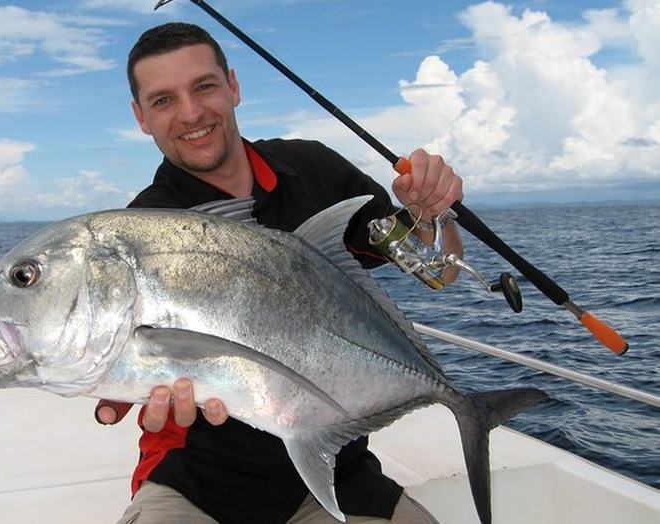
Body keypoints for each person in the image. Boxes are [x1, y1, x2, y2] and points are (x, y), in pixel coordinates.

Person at [96, 22, 465, 524]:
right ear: (141, 118)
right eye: (163, 100)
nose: (191, 113)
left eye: (204, 87)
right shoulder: (144, 231)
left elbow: (438, 273)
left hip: (338, 468)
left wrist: (435, 212)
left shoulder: (312, 169)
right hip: (199, 483)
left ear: (233, 86)